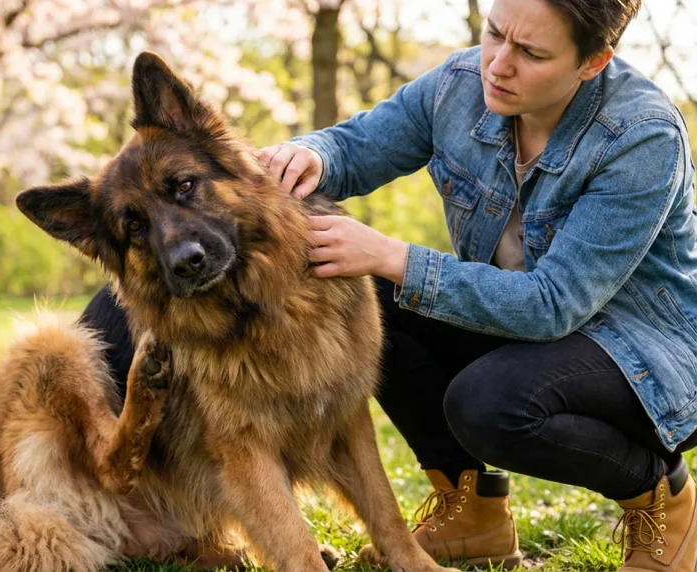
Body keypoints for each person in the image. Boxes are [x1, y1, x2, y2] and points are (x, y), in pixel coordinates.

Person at [80, 0, 697, 569]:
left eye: (531, 54)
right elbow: (361, 143)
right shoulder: (462, 85)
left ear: (594, 62)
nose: (499, 65)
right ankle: (474, 508)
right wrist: (312, 156)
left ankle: (660, 497)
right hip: (527, 327)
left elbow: (553, 304)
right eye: (494, 34)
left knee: (489, 402)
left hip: (643, 354)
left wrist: (395, 257)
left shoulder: (639, 138)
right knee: (381, 301)